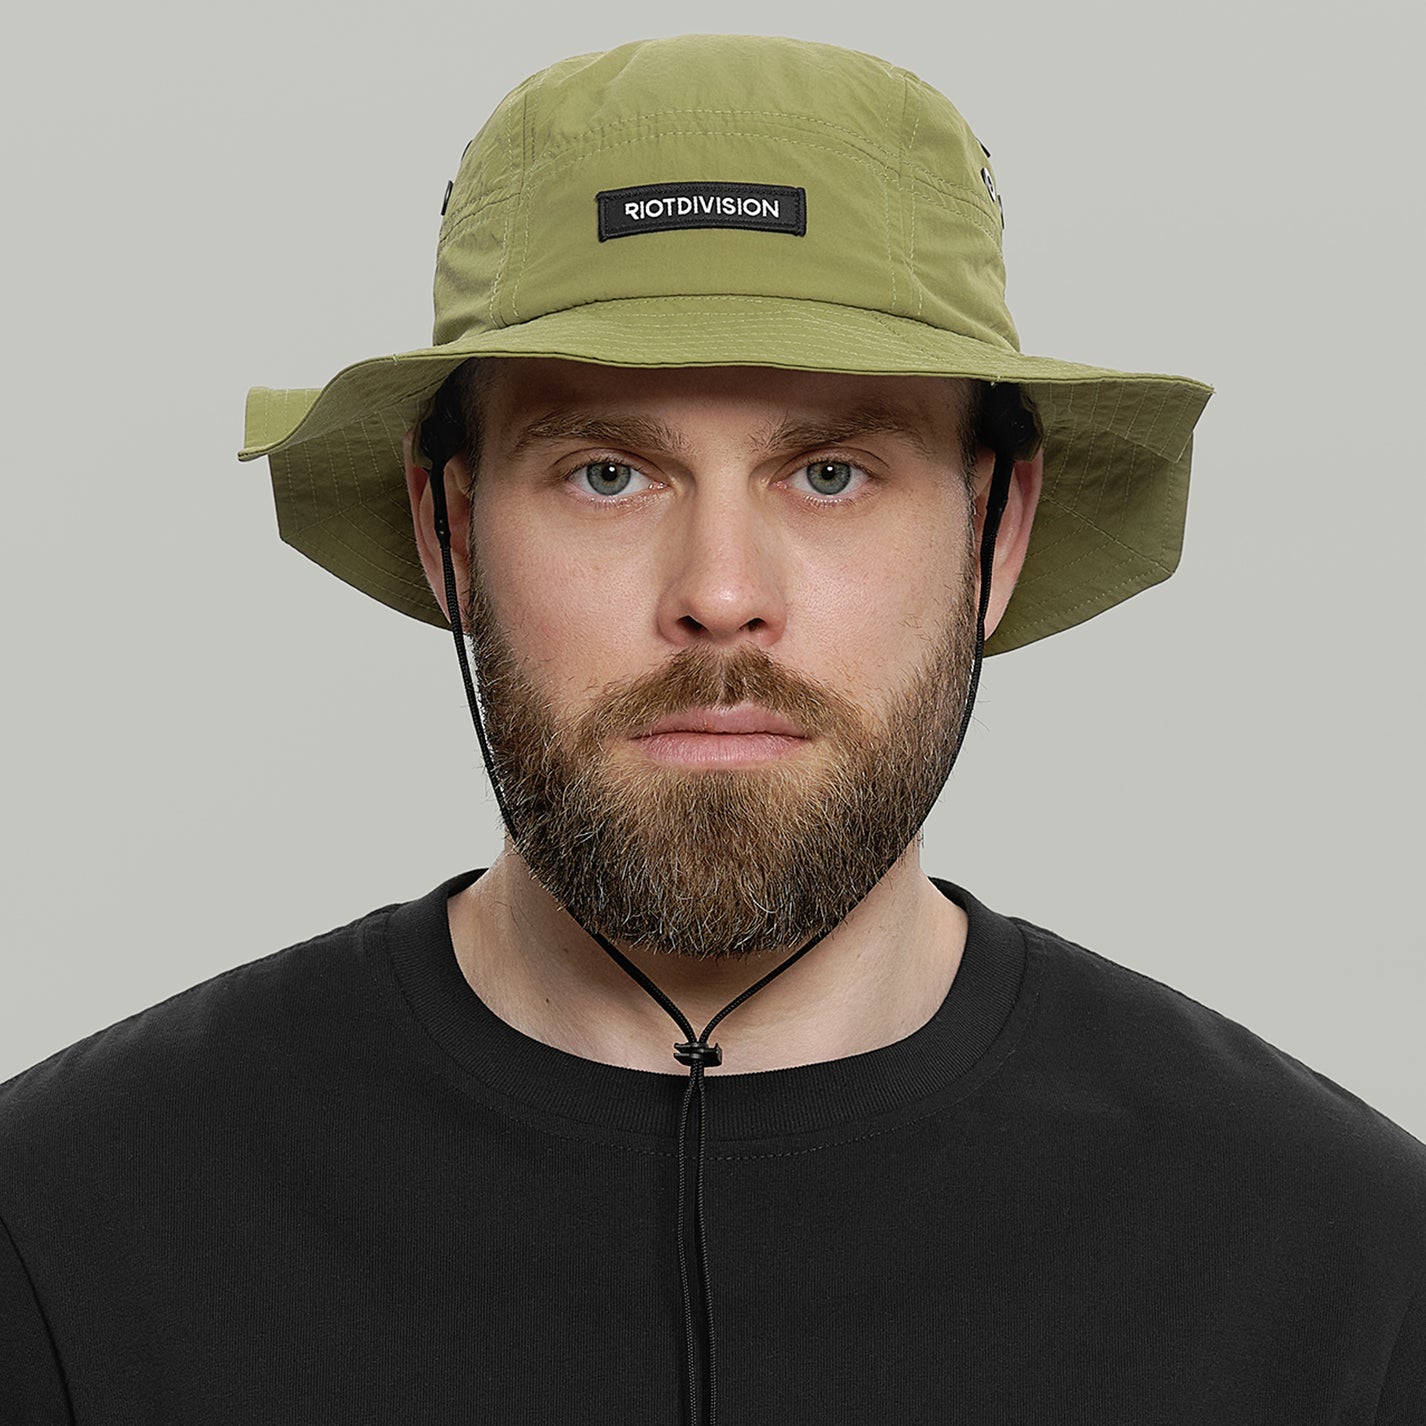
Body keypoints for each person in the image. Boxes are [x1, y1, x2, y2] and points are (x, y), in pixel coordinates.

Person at [2, 33, 1422, 1425]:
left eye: (831, 472)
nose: (722, 595)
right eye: (607, 473)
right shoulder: (64, 1234)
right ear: (448, 529)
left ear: (998, 533)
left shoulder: (1345, 1276)